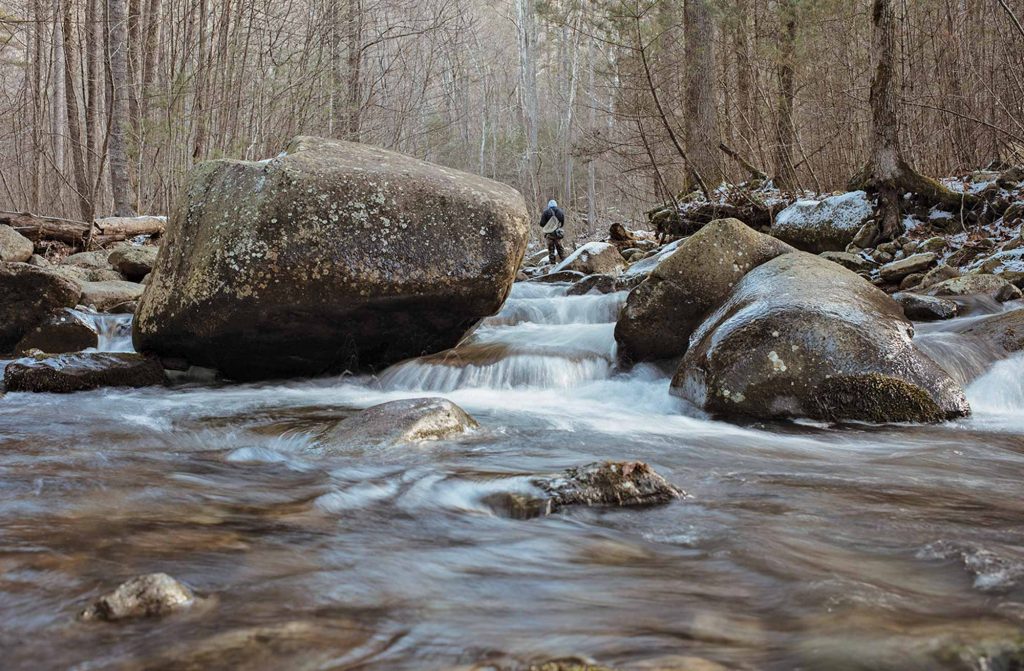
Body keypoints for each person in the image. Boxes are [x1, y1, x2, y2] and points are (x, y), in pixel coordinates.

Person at [538, 199, 566, 265]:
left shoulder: (546, 212)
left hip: (549, 234)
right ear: (556, 205)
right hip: (558, 234)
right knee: (560, 249)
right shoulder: (560, 211)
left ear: (549, 205)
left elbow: (542, 224)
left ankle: (552, 264)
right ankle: (564, 263)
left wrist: (548, 226)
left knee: (551, 250)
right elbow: (562, 223)